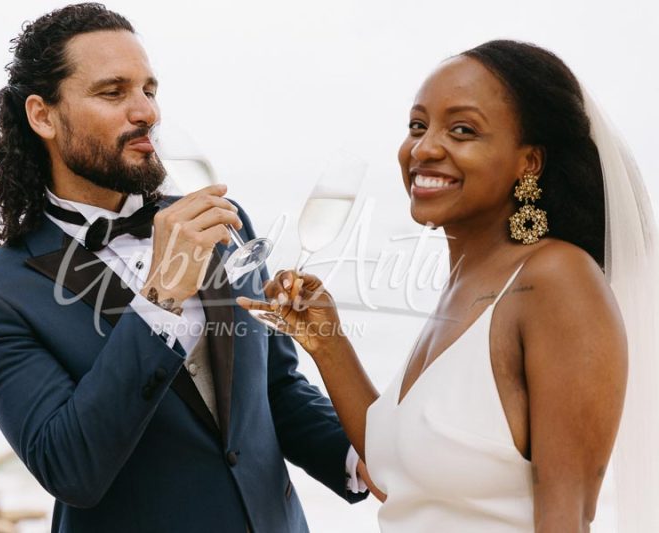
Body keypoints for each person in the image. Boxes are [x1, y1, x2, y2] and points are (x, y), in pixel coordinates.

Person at [0, 4, 367, 532]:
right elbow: (69, 467)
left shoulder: (219, 225)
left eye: (149, 89)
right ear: (43, 115)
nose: (146, 112)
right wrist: (160, 299)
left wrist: (355, 459)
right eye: (113, 92)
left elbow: (274, 389)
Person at [239, 40, 659, 532]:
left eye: (462, 130)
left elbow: (567, 517)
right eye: (418, 125)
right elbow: (391, 466)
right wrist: (326, 342)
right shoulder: (465, 285)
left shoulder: (556, 281)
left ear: (530, 162)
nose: (424, 148)